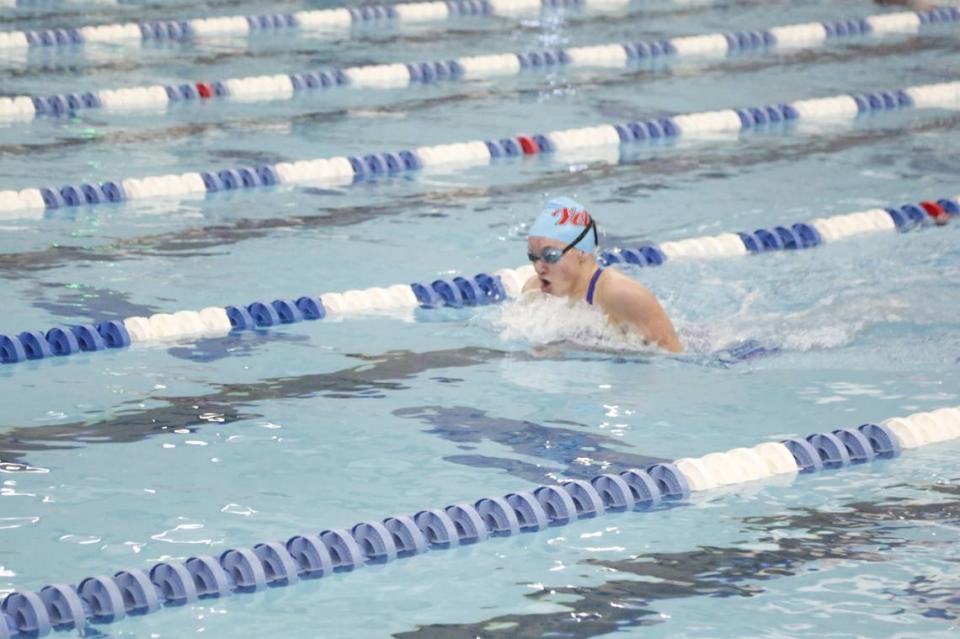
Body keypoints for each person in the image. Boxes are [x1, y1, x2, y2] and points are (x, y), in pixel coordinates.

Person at [522, 196, 684, 353]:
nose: (538, 268)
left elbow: (672, 357)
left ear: (582, 252)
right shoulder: (534, 292)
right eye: (533, 257)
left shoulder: (622, 295)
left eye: (550, 255)